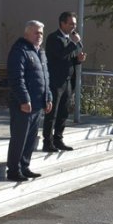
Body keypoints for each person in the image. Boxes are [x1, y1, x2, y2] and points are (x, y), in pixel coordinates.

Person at [6, 20, 52, 182]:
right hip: (24, 105)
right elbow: (16, 78)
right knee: (19, 138)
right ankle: (13, 170)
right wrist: (24, 99)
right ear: (27, 33)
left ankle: (24, 166)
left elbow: (45, 78)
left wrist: (48, 97)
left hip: (38, 104)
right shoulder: (20, 50)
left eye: (41, 33)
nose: (39, 36)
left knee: (31, 138)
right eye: (36, 32)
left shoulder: (40, 52)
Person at [42, 12, 86, 152]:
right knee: (52, 113)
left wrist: (78, 60)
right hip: (55, 81)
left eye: (75, 23)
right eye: (71, 23)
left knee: (64, 112)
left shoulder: (70, 40)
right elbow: (60, 56)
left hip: (67, 81)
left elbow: (70, 59)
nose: (74, 26)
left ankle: (58, 139)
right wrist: (73, 43)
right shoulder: (53, 38)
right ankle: (47, 142)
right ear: (62, 23)